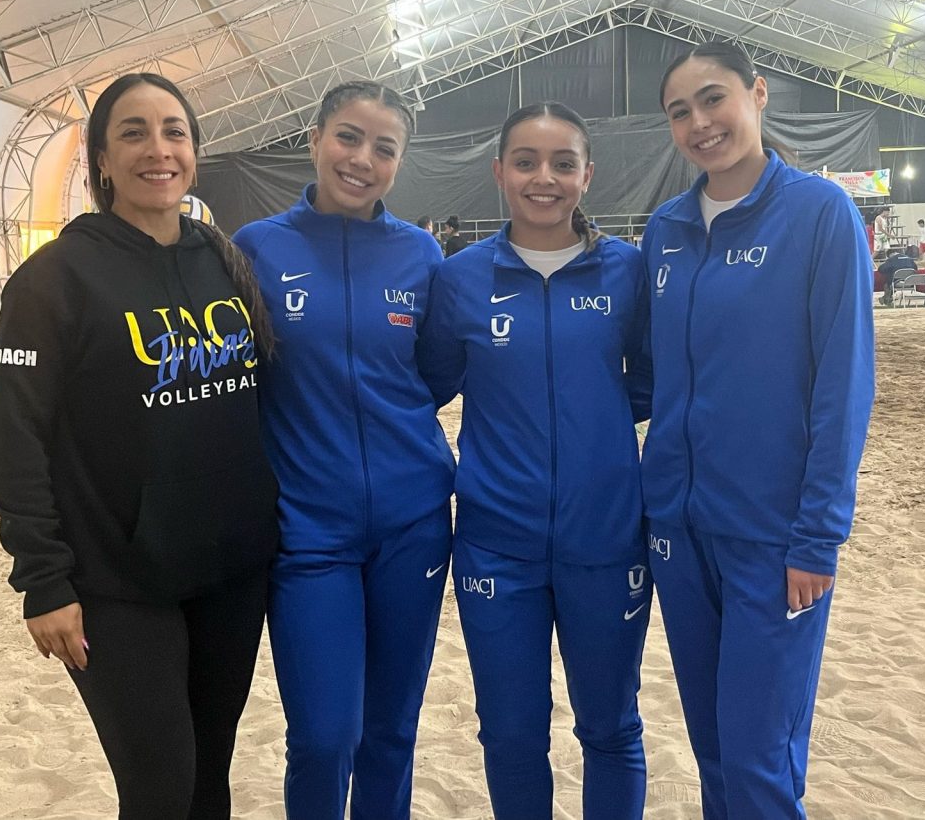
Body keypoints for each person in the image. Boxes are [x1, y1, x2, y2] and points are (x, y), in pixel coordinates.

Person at [0, 72, 280, 819]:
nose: (158, 149)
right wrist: (43, 580)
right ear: (102, 160)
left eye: (174, 132)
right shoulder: (55, 278)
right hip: (116, 582)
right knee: (158, 789)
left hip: (230, 570)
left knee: (209, 777)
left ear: (195, 152)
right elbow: (12, 439)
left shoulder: (224, 262)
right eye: (134, 133)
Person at [642, 41, 875, 818]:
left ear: (758, 93)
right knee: (714, 750)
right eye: (680, 111)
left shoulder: (819, 213)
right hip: (678, 533)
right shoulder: (665, 230)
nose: (700, 123)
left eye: (714, 98)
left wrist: (818, 537)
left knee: (757, 759)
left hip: (774, 539)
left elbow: (843, 385)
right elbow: (653, 375)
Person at [418, 102, 653, 820]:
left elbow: (650, 383)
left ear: (587, 174)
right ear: (499, 172)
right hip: (496, 545)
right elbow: (426, 386)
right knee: (511, 734)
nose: (543, 178)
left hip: (607, 541)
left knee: (610, 727)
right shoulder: (460, 279)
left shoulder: (627, 271)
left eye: (562, 163)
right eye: (525, 162)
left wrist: (593, 438)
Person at [232, 81, 455, 820]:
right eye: (349, 138)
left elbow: (435, 375)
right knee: (325, 737)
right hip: (308, 531)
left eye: (384, 148)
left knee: (391, 731)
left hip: (413, 523)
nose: (363, 159)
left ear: (399, 162)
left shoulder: (420, 254)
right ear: (316, 139)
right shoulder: (257, 248)